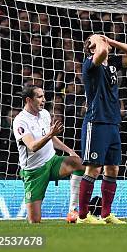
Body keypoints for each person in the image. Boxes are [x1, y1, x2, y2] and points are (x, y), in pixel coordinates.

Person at [77, 34, 127, 224]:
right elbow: (101, 51)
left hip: (113, 122)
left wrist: (110, 41)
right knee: (93, 169)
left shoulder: (112, 63)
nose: (105, 42)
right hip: (96, 121)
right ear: (91, 48)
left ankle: (106, 214)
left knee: (112, 169)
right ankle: (83, 216)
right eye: (100, 40)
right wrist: (101, 43)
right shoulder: (90, 64)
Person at [12, 85, 84, 223]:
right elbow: (33, 146)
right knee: (35, 221)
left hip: (52, 161)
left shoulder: (44, 113)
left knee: (79, 163)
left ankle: (72, 211)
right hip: (34, 172)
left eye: (44, 96)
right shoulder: (20, 121)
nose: (44, 100)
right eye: (39, 97)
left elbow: (51, 138)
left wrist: (69, 150)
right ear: (28, 100)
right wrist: (50, 134)